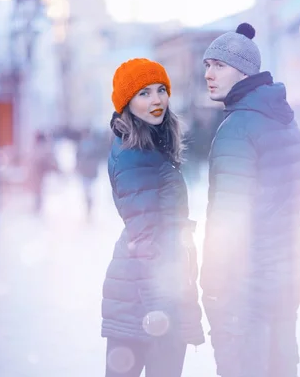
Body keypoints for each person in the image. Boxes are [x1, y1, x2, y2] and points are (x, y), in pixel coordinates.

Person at [201, 23, 300, 377]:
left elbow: (228, 222)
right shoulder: (281, 120)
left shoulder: (239, 127)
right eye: (207, 65)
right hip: (282, 279)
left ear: (244, 71)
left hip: (245, 289)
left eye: (219, 65)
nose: (209, 74)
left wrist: (213, 288)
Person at [102, 58, 204, 377]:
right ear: (127, 103)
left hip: (145, 296)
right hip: (149, 302)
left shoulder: (149, 148)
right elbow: (144, 240)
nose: (157, 99)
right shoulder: (135, 156)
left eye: (161, 90)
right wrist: (162, 309)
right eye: (144, 93)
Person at [75, 128, 102, 218]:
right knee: (87, 191)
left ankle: (89, 209)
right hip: (86, 171)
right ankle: (88, 208)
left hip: (88, 172)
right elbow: (78, 158)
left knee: (88, 191)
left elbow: (96, 158)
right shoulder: (85, 144)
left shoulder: (90, 145)